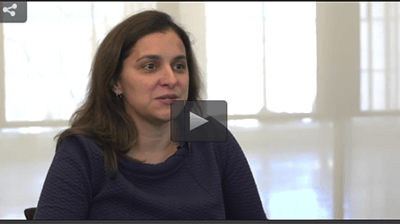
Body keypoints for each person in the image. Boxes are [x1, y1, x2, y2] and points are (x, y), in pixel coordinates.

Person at [33, 9, 267, 220]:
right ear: (115, 82)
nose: (171, 80)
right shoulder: (82, 151)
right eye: (150, 66)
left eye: (178, 66)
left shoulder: (211, 134)